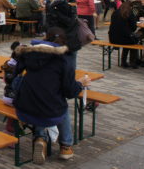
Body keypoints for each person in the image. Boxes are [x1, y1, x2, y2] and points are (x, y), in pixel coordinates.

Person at [13, 29, 91, 163]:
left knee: (43, 96)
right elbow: (70, 92)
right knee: (60, 104)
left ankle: (40, 138)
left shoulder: (29, 54)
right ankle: (65, 146)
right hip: (48, 112)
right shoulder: (63, 60)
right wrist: (80, 83)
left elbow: (15, 73)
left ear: (45, 38)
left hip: (22, 109)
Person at [109, 0, 139, 68]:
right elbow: (134, 28)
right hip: (124, 39)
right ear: (130, 7)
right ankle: (133, 62)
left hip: (113, 38)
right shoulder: (130, 13)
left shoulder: (115, 12)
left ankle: (123, 62)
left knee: (128, 39)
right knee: (134, 41)